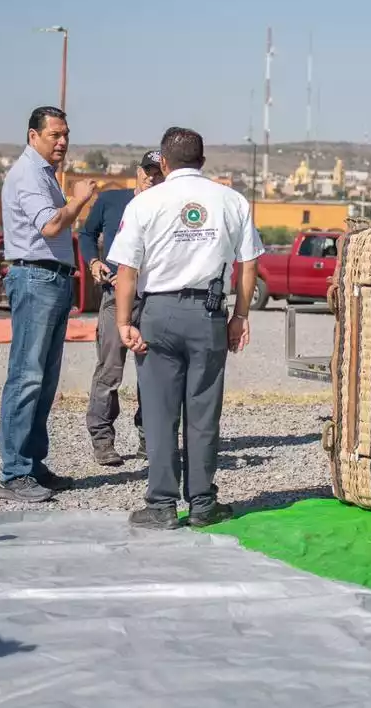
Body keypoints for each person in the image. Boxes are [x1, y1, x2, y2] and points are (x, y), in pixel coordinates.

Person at [108, 127, 263, 530]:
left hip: (158, 312)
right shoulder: (232, 201)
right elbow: (248, 265)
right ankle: (202, 503)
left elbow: (127, 270)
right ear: (203, 161)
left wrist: (124, 321)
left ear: (162, 161)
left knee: (159, 413)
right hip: (208, 314)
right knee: (203, 412)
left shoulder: (145, 203)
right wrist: (240, 316)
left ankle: (160, 505)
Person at [0, 106, 97, 503]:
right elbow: (52, 225)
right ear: (32, 135)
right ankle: (14, 472)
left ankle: (32, 464)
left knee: (45, 379)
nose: (62, 141)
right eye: (54, 134)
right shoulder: (27, 175)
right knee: (27, 377)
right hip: (36, 278)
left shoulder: (44, 176)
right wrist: (80, 200)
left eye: (66, 134)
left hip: (52, 279)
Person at [78, 151, 165, 466]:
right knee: (110, 368)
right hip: (116, 295)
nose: (151, 177)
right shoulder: (113, 201)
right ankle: (102, 439)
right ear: (138, 171)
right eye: (147, 171)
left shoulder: (167, 205)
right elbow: (86, 234)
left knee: (153, 372)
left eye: (158, 172)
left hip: (155, 297)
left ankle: (148, 439)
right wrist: (94, 261)